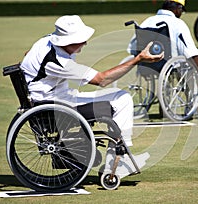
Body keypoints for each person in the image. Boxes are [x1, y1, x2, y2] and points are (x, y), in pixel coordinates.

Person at [20, 15, 164, 148]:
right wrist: (138, 59)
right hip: (55, 105)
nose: (85, 42)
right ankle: (118, 154)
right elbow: (102, 80)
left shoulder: (46, 41)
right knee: (123, 98)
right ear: (69, 41)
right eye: (81, 40)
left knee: (120, 97)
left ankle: (119, 150)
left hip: (49, 99)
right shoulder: (58, 62)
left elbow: (28, 54)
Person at [128, 0, 198, 88]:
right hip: (169, 64)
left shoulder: (148, 21)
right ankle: (192, 98)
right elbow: (191, 52)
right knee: (190, 61)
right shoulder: (178, 23)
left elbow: (132, 47)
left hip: (145, 63)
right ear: (179, 8)